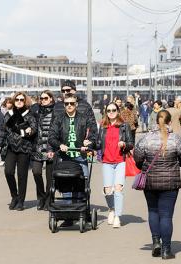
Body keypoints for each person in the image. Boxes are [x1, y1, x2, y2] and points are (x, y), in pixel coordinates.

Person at [134, 110, 181, 259]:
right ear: (170, 122)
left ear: (156, 121)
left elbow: (137, 157)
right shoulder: (176, 139)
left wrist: (143, 167)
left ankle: (156, 242)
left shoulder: (146, 139)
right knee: (166, 215)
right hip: (170, 183)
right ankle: (166, 250)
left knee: (153, 211)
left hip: (150, 182)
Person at [48, 94, 97, 226]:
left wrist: (89, 143)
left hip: (80, 156)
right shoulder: (58, 119)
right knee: (65, 185)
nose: (69, 105)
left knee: (83, 184)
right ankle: (68, 215)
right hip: (64, 158)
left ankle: (82, 212)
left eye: (72, 103)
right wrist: (59, 145)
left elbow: (93, 135)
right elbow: (51, 136)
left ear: (76, 105)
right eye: (66, 103)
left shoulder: (83, 119)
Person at [0, 92, 37, 211]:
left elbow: (34, 128)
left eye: (21, 100)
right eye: (17, 99)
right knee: (8, 172)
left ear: (25, 101)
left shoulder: (29, 114)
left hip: (24, 148)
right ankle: (14, 196)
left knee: (22, 176)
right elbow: (2, 131)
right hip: (10, 148)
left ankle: (21, 201)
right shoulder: (9, 114)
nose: (19, 101)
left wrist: (29, 130)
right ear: (14, 101)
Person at [96, 102, 133, 228]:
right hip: (107, 162)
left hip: (120, 161)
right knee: (108, 191)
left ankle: (117, 216)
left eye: (113, 110)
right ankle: (111, 209)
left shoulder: (124, 126)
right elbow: (98, 142)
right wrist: (88, 144)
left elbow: (131, 143)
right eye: (108, 110)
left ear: (118, 111)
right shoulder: (103, 126)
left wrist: (124, 144)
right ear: (106, 112)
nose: (111, 112)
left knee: (118, 190)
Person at [31, 90, 55, 210]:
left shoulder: (56, 112)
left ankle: (48, 200)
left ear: (51, 99)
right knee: (36, 172)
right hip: (38, 147)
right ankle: (41, 197)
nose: (43, 100)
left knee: (50, 177)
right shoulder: (36, 111)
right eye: (41, 98)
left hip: (51, 148)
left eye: (45, 98)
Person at [0, 97, 13, 166]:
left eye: (10, 103)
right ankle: (3, 159)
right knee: (2, 146)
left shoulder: (13, 112)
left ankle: (7, 159)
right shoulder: (0, 110)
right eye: (8, 103)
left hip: (10, 132)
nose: (9, 104)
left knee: (8, 146)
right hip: (1, 130)